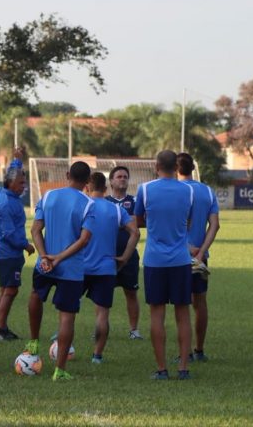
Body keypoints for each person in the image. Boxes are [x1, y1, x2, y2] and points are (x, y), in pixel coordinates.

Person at [26, 161, 94, 381]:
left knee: (36, 294)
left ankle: (34, 340)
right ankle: (60, 370)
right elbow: (84, 240)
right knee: (66, 317)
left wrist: (45, 255)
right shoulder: (88, 203)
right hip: (70, 269)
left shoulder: (48, 196)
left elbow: (35, 229)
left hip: (44, 263)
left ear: (67, 175)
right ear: (88, 181)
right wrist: (59, 258)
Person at [135, 150, 193, 380]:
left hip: (154, 260)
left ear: (156, 165)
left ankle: (161, 369)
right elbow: (188, 221)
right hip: (180, 259)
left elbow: (138, 220)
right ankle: (184, 367)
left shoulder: (145, 189)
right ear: (177, 167)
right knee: (183, 314)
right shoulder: (188, 190)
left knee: (157, 315)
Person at [83, 172, 139, 363]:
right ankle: (97, 356)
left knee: (68, 310)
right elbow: (136, 233)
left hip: (80, 266)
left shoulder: (82, 205)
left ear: (87, 187)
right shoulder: (116, 209)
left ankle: (64, 345)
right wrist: (124, 257)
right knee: (103, 313)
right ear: (105, 188)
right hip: (106, 267)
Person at [177, 153, 220, 362]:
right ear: (193, 168)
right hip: (200, 256)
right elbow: (215, 225)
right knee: (200, 302)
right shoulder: (207, 191)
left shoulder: (174, 191)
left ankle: (183, 353)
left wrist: (187, 247)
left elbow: (173, 224)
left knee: (181, 304)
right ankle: (199, 350)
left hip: (178, 255)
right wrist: (202, 251)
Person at [0, 162, 34, 341]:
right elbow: (9, 233)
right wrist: (26, 245)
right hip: (9, 253)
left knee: (4, 289)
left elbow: (11, 172)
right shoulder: (6, 203)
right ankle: (2, 329)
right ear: (10, 183)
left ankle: (0, 326)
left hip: (2, 251)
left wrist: (17, 161)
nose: (24, 186)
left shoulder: (1, 193)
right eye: (21, 183)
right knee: (11, 290)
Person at [106, 166, 143, 339]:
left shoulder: (135, 201)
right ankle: (101, 328)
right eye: (119, 176)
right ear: (111, 181)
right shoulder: (104, 202)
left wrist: (116, 223)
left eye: (125, 177)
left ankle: (134, 330)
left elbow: (135, 226)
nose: (122, 179)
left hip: (129, 257)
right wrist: (125, 222)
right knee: (103, 293)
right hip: (107, 256)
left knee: (131, 292)